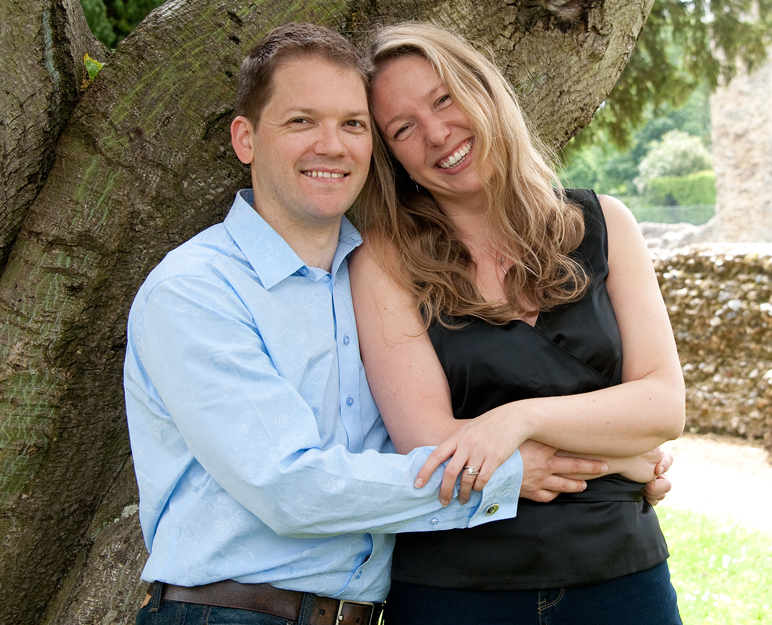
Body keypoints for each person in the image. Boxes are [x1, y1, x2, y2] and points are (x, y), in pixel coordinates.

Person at [123, 23, 612, 625]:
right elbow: (289, 489)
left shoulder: (379, 280)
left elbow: (438, 423)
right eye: (301, 121)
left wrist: (609, 450)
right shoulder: (196, 291)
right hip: (230, 611)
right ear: (245, 139)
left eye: (353, 124)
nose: (332, 145)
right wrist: (506, 473)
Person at [350, 22, 686, 624]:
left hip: (621, 577)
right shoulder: (385, 261)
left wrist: (515, 420)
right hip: (456, 590)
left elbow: (663, 407)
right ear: (390, 156)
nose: (435, 134)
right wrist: (621, 455)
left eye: (444, 99)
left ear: (483, 90)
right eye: (402, 129)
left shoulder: (607, 224)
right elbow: (430, 446)